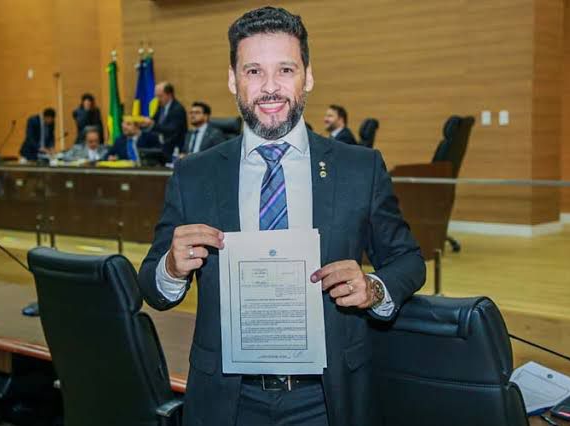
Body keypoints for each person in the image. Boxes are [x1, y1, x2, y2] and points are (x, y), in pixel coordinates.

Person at [138, 7, 425, 426]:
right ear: (233, 80)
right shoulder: (194, 174)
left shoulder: (359, 169)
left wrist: (373, 289)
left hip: (328, 399)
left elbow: (408, 260)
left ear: (307, 77)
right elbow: (153, 288)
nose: (270, 87)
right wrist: (171, 267)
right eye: (253, 71)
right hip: (227, 400)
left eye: (285, 70)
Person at [142, 82, 187, 151]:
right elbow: (155, 121)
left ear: (169, 95)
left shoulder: (178, 109)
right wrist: (145, 123)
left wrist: (152, 124)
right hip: (160, 146)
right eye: (156, 96)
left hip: (174, 147)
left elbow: (172, 130)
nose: (157, 99)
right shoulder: (160, 107)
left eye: (160, 96)